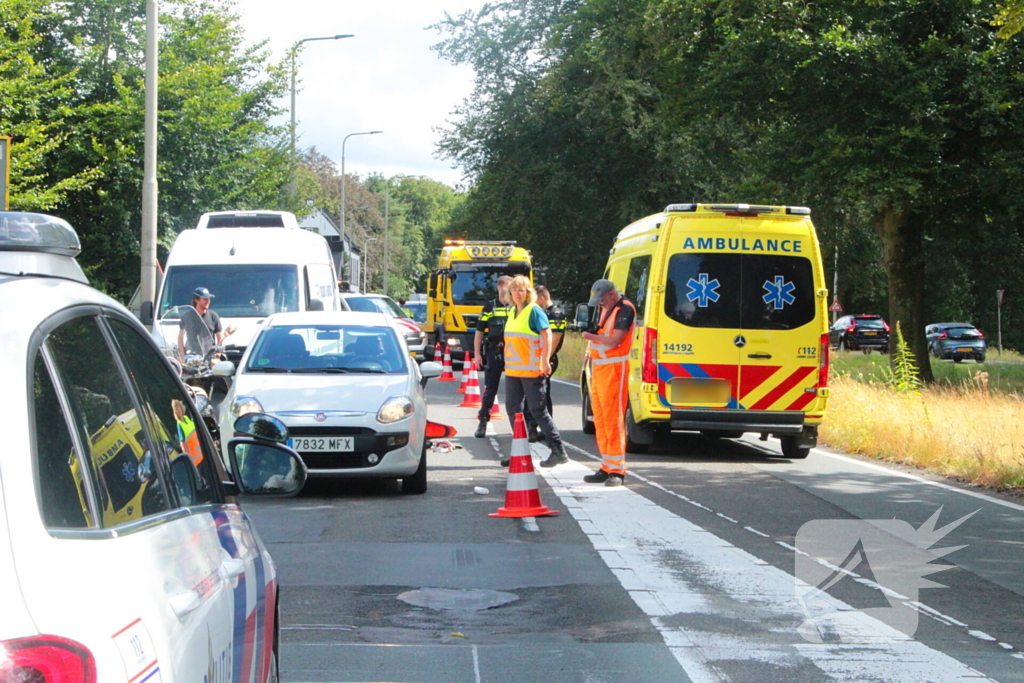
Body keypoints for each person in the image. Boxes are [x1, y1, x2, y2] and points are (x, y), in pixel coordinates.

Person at [503, 275, 569, 468]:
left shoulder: (534, 311)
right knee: (513, 410)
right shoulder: (512, 311)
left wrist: (545, 360)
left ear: (528, 293)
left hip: (532, 370)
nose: (517, 293)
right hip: (514, 371)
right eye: (514, 290)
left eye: (521, 290)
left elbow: (547, 334)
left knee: (538, 411)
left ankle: (558, 451)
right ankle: (520, 452)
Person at [580, 279, 636, 486]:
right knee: (601, 419)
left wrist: (589, 336)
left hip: (615, 370)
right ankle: (606, 465)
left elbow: (614, 341)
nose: (600, 305)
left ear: (612, 294)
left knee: (613, 419)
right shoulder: (608, 308)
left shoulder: (625, 309)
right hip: (601, 370)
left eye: (602, 300)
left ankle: (617, 470)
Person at [473, 275, 513, 438]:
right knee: (490, 388)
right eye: (507, 288)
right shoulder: (490, 307)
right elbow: (479, 331)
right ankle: (483, 422)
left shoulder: (516, 307)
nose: (509, 291)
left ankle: (523, 426)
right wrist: (477, 355)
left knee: (517, 390)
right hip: (494, 351)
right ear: (499, 288)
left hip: (513, 353)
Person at [524, 285, 566, 442]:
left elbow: (554, 339)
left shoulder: (555, 314)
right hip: (540, 358)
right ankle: (542, 428)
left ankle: (542, 428)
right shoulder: (543, 313)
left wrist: (545, 359)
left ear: (542, 298)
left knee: (539, 394)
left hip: (547, 358)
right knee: (541, 393)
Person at [177, 286, 223, 358]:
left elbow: (220, 338)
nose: (208, 301)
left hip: (209, 358)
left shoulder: (213, 316)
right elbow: (180, 338)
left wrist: (216, 357)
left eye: (209, 299)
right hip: (192, 358)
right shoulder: (186, 317)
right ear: (196, 300)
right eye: (205, 299)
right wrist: (183, 356)